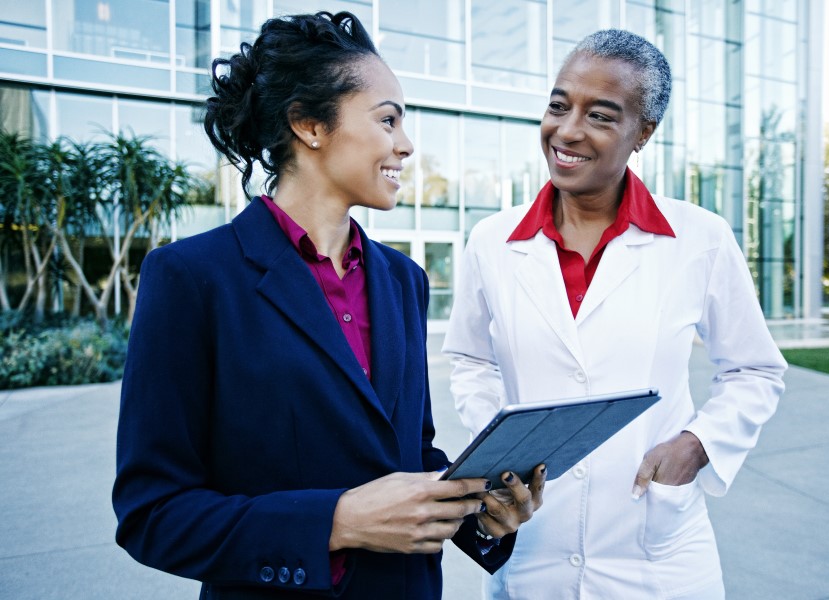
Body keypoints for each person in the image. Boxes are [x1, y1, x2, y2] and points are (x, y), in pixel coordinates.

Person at [112, 11, 545, 600]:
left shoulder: (403, 280)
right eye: (387, 119)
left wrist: (481, 511)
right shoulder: (191, 278)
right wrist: (336, 523)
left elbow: (409, 454)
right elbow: (153, 513)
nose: (406, 144)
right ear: (309, 125)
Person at [443, 29, 787, 599]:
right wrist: (505, 449)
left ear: (643, 132)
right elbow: (470, 360)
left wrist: (697, 444)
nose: (568, 130)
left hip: (657, 549)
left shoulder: (699, 238)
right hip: (533, 542)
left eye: (600, 115)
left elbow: (754, 370)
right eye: (559, 105)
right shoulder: (491, 241)